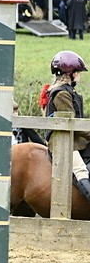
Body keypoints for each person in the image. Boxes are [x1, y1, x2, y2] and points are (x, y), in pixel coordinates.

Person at [44, 50, 90, 203]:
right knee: (80, 170)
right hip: (63, 141)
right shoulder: (61, 94)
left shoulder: (69, 91)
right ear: (71, 74)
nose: (79, 75)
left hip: (73, 138)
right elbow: (72, 123)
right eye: (78, 72)